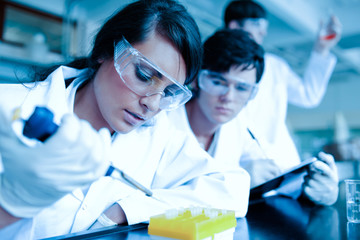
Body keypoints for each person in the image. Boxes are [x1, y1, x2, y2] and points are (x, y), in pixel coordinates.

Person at [0, 0, 250, 238]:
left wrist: (125, 210)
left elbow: (233, 191)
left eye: (169, 92)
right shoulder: (7, 105)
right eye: (143, 75)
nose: (152, 104)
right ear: (104, 52)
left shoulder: (156, 136)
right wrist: (11, 204)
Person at [224, 0, 340, 205]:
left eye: (264, 29)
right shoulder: (215, 65)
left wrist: (321, 49)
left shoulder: (275, 66)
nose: (263, 34)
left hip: (283, 166)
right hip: (239, 172)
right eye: (257, 26)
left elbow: (309, 95)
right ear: (235, 26)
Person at [168, 29, 265, 170]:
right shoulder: (162, 122)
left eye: (242, 88)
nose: (228, 98)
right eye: (218, 83)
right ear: (196, 79)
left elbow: (265, 167)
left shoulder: (237, 130)